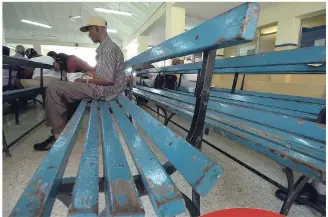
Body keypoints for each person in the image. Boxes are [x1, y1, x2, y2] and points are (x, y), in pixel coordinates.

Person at [44, 16, 125, 143]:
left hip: (106, 91)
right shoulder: (106, 47)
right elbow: (105, 73)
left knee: (54, 87)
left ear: (98, 28)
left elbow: (107, 80)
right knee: (64, 87)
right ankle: (60, 129)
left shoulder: (107, 49)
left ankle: (59, 136)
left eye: (90, 30)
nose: (89, 34)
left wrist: (86, 81)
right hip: (106, 88)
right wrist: (90, 74)